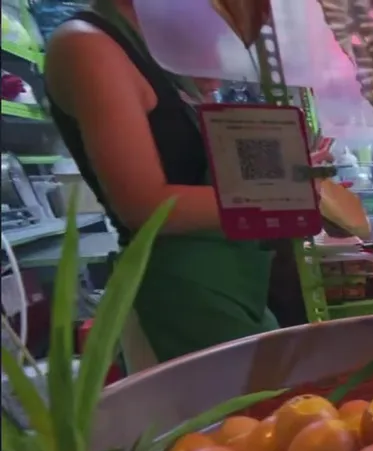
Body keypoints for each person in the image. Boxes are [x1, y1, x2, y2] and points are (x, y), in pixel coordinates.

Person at [43, 0, 281, 369]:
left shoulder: (165, 47)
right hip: (178, 294)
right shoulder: (87, 45)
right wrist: (283, 197)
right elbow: (144, 205)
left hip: (231, 284)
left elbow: (198, 168)